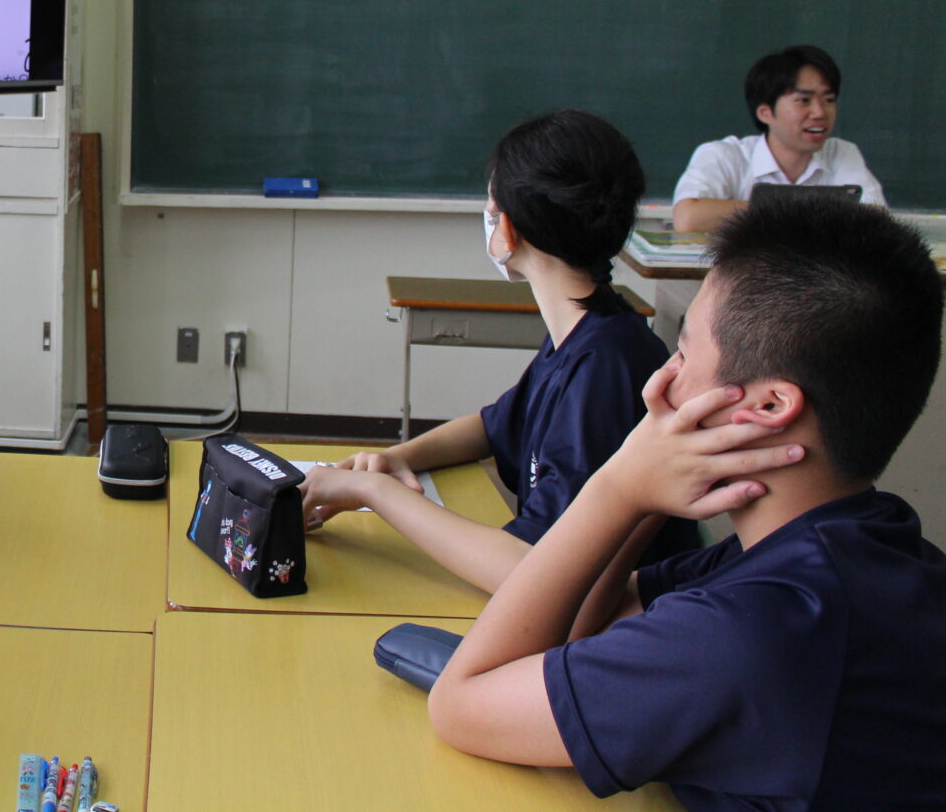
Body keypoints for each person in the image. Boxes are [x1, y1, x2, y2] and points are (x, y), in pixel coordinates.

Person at [428, 200, 946, 809]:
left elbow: (462, 705)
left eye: (682, 351)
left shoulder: (751, 632)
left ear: (770, 407)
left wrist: (617, 484)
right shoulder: (850, 544)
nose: (658, 384)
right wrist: (644, 499)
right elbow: (582, 630)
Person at [301, 110, 699, 593]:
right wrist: (397, 458)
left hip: (620, 632)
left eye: (491, 206)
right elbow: (491, 427)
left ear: (507, 232)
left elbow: (532, 574)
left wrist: (373, 491)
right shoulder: (589, 332)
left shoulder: (605, 365)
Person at [673, 44, 885, 233]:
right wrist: (807, 209)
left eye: (829, 100)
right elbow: (688, 218)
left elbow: (876, 218)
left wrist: (769, 210)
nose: (820, 112)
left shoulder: (841, 153)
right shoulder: (724, 155)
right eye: (804, 100)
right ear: (765, 112)